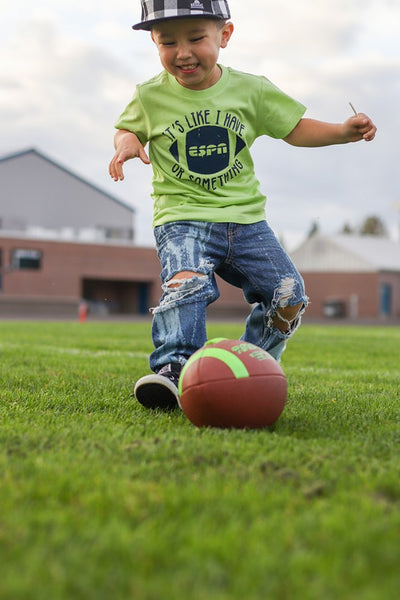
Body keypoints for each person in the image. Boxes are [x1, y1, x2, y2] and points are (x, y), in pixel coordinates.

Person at [109, 0, 377, 411]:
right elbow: (127, 127)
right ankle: (174, 369)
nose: (182, 52)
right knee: (188, 284)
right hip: (183, 219)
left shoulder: (251, 90)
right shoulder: (150, 96)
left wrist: (342, 131)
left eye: (196, 38)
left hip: (247, 222)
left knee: (288, 294)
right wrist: (128, 143)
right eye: (167, 42)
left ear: (225, 36)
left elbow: (294, 127)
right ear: (153, 43)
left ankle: (255, 363)